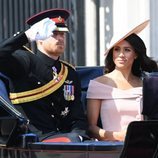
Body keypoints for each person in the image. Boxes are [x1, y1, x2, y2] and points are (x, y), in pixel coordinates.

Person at [0, 8, 89, 143]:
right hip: (35, 140)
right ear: (39, 37)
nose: (60, 38)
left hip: (66, 140)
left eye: (62, 34)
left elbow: (77, 117)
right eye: (54, 33)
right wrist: (26, 37)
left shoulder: (69, 73)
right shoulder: (24, 61)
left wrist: (79, 134)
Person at [86, 20, 158, 141]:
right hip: (111, 148)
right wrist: (117, 136)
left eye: (127, 50)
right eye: (117, 49)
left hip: (144, 147)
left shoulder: (146, 84)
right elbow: (91, 128)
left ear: (135, 55)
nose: (121, 54)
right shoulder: (98, 84)